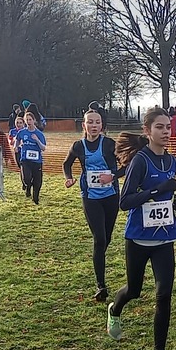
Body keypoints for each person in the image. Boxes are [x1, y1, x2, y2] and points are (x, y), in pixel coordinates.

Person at [107, 106, 176, 350]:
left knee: (164, 294)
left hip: (164, 238)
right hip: (138, 238)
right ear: (147, 131)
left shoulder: (173, 162)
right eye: (159, 127)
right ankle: (115, 309)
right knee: (134, 290)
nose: (166, 132)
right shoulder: (140, 161)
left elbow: (167, 197)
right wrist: (157, 190)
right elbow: (125, 201)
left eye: (168, 127)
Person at [63, 109, 124, 301]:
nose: (94, 126)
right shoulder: (78, 146)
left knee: (107, 238)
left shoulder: (109, 144)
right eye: (90, 122)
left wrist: (112, 176)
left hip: (111, 196)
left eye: (97, 122)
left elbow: (126, 165)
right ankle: (101, 285)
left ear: (102, 125)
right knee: (99, 239)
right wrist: (69, 178)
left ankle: (98, 258)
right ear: (84, 125)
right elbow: (66, 164)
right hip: (90, 197)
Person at [16, 112, 47, 204]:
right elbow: (17, 140)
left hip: (37, 161)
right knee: (26, 179)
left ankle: (35, 199)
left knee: (38, 182)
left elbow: (43, 148)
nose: (28, 122)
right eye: (27, 120)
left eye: (30, 120)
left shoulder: (39, 134)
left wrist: (37, 140)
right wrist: (16, 146)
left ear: (34, 120)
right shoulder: (22, 132)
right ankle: (28, 187)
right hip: (25, 160)